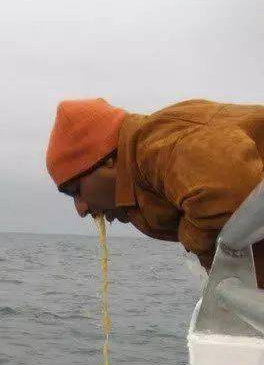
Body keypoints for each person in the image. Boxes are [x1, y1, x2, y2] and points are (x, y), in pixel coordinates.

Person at [45, 98, 264, 286]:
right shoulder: (141, 177)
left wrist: (189, 237)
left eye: (76, 191)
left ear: (107, 160)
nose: (81, 209)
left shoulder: (156, 145)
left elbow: (238, 194)